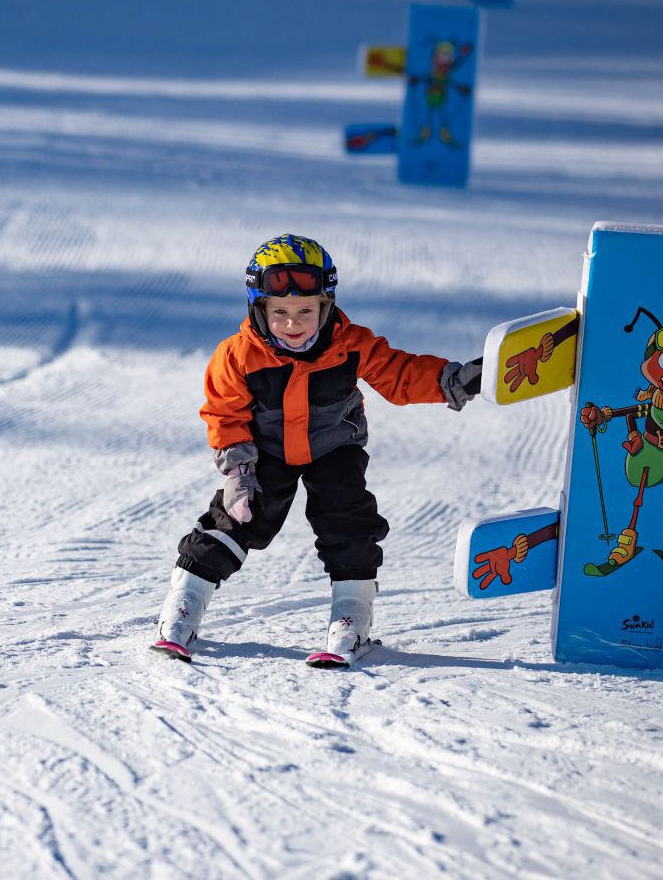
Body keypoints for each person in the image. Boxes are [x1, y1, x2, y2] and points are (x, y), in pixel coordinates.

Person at [151, 234, 481, 664]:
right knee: (237, 519)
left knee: (346, 518)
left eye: (305, 311)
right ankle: (183, 605)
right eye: (280, 312)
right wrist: (238, 474)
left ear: (325, 307)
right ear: (259, 308)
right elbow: (223, 413)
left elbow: (399, 373)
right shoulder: (238, 356)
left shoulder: (350, 344)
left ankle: (351, 616)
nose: (293, 323)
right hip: (264, 455)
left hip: (335, 448)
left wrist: (450, 380)